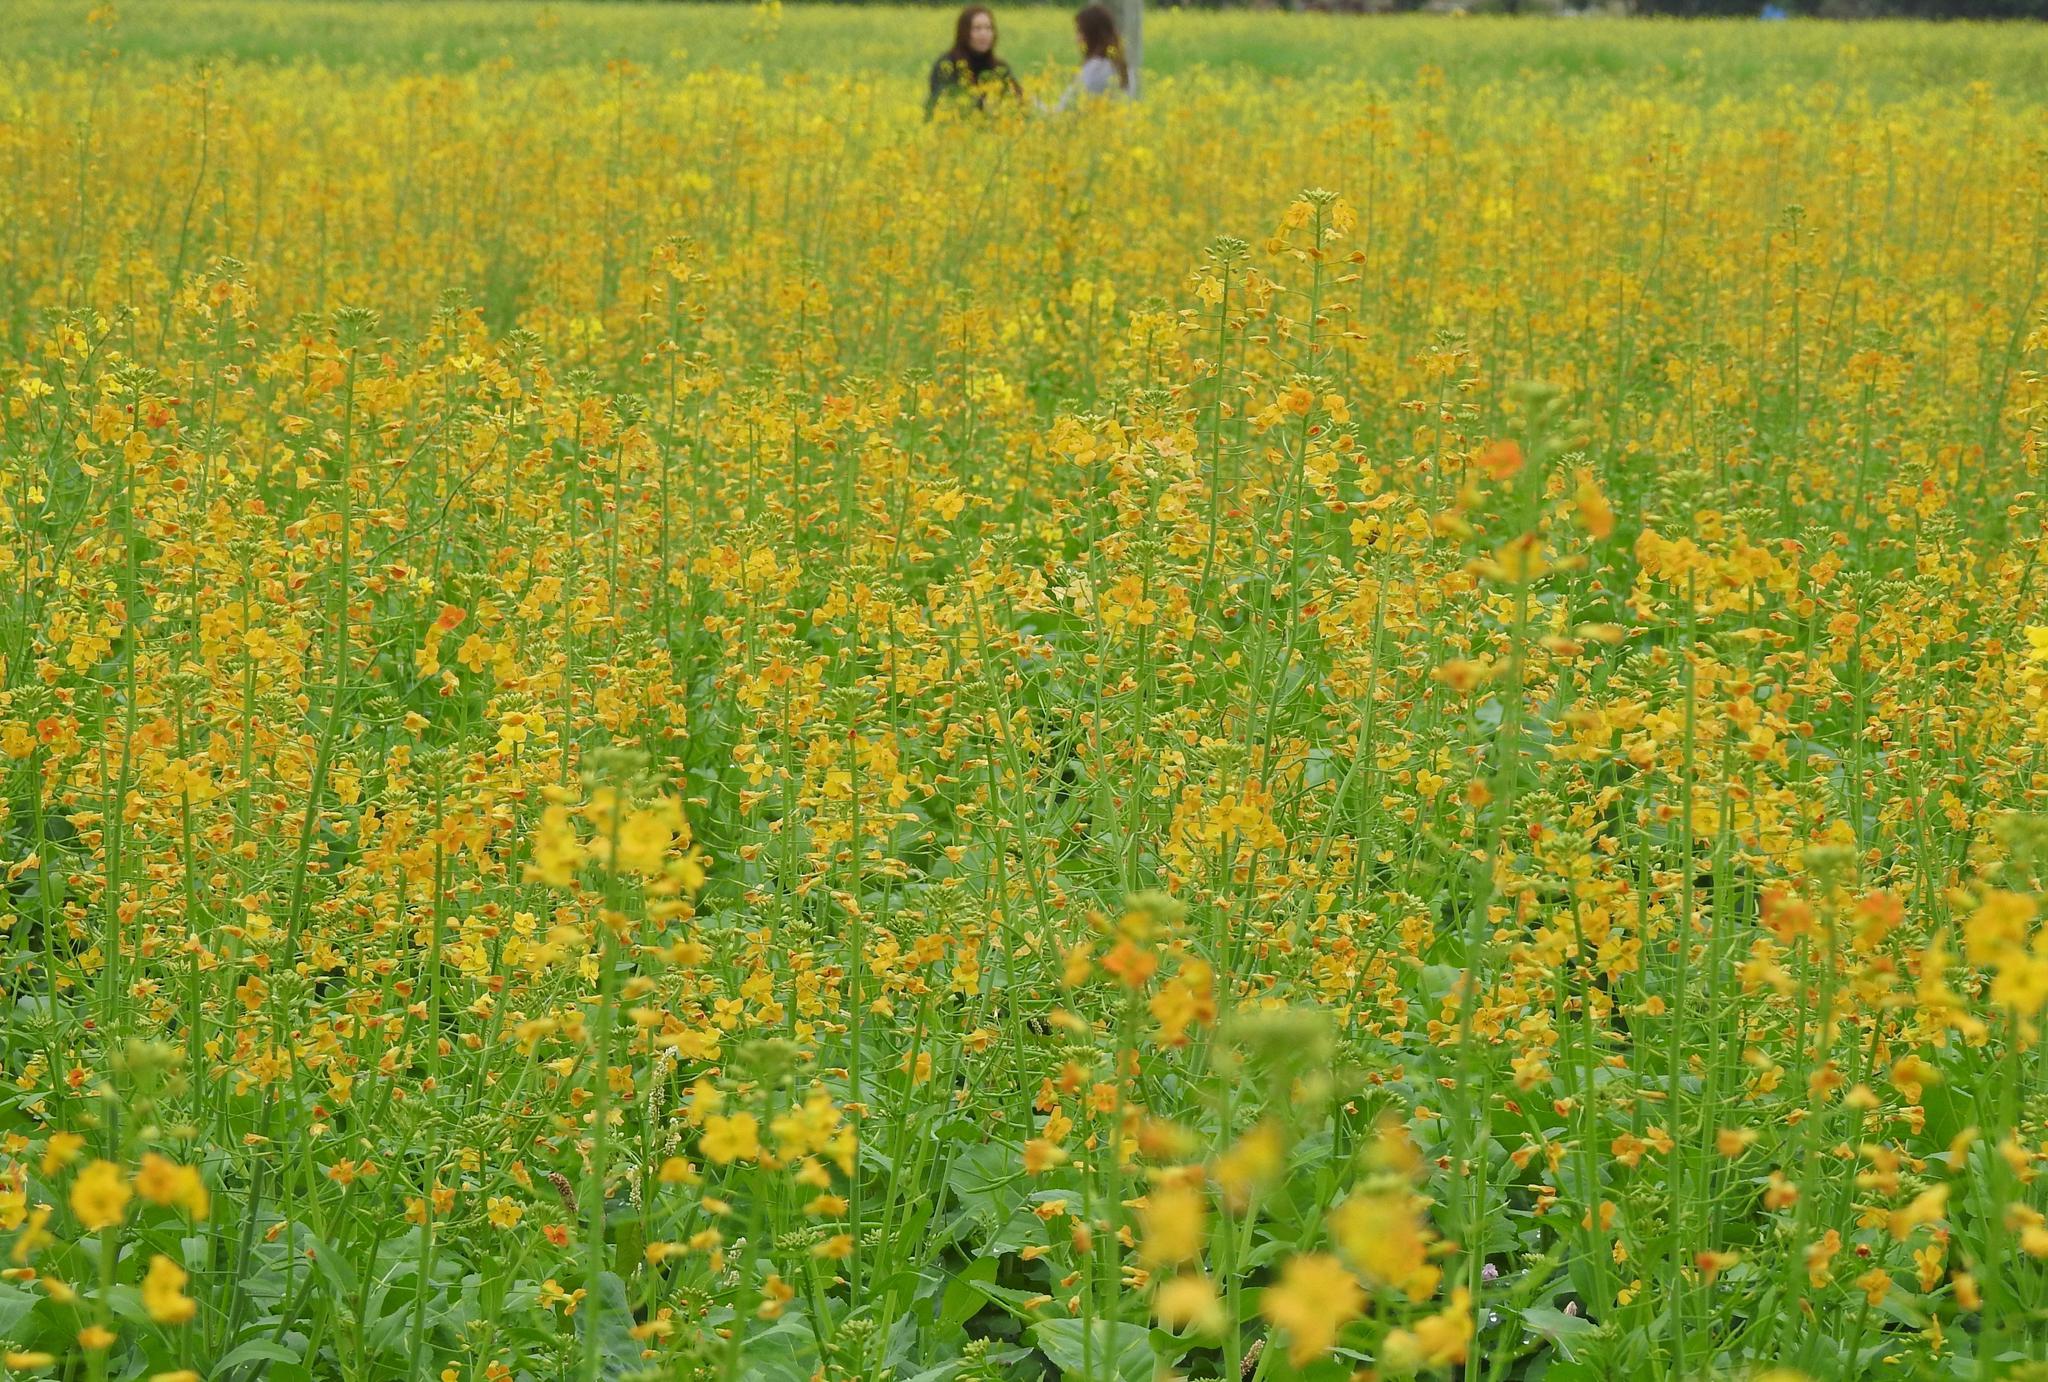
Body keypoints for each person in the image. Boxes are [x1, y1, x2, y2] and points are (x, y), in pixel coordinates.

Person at [926, 6, 1022, 120]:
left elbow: (1018, 99)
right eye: (977, 28)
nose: (983, 34)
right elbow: (940, 102)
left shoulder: (999, 67)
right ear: (964, 32)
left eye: (988, 28)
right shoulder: (947, 65)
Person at [1054, 5, 1130, 111]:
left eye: (1079, 32)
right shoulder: (1121, 66)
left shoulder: (1095, 70)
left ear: (1092, 35)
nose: (1076, 39)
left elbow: (1063, 112)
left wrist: (1031, 101)